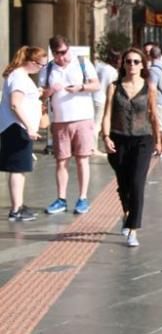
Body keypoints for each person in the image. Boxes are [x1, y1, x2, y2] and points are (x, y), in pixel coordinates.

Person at [102, 48, 162, 247]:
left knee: (137, 183)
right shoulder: (114, 87)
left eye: (137, 62)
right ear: (123, 64)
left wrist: (159, 139)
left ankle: (133, 230)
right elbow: (107, 114)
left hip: (143, 139)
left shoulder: (149, 87)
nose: (132, 65)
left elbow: (153, 115)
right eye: (128, 61)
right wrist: (105, 136)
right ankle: (127, 214)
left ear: (143, 64)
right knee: (124, 184)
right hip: (119, 140)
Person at [39, 36, 99, 215]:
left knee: (82, 159)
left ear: (69, 49)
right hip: (60, 120)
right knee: (61, 160)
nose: (61, 57)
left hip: (83, 118)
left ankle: (82, 198)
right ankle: (61, 198)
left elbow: (95, 85)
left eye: (63, 52)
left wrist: (80, 88)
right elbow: (41, 95)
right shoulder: (48, 69)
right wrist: (51, 90)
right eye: (57, 54)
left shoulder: (83, 63)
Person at [0, 47, 46, 222]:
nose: (41, 68)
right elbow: (15, 104)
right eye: (41, 65)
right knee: (18, 169)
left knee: (20, 168)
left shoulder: (20, 77)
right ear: (32, 62)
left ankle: (18, 204)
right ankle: (16, 209)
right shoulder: (19, 77)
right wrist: (29, 127)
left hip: (17, 127)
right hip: (17, 127)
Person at [93, 50, 120, 154]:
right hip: (102, 98)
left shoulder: (99, 66)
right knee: (97, 124)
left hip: (93, 97)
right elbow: (111, 87)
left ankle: (91, 146)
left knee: (93, 122)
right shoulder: (112, 71)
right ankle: (93, 148)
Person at [147, 46, 162, 159]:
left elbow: (152, 87)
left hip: (159, 101)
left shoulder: (153, 70)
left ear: (150, 55)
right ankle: (157, 148)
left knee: (160, 126)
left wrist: (149, 103)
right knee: (158, 125)